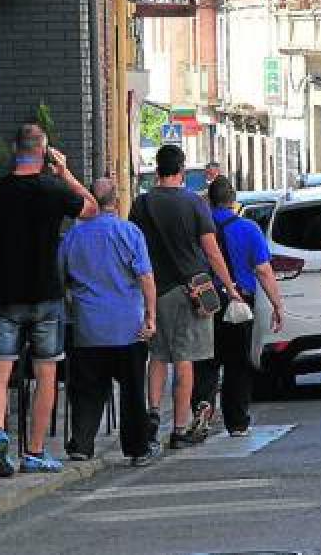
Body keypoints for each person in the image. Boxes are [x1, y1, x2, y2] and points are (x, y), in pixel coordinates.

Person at [0, 123, 99, 477]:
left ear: (15, 148)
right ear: (44, 151)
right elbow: (93, 208)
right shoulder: (54, 190)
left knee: (0, 369)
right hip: (47, 296)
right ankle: (33, 452)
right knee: (45, 374)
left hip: (4, 295)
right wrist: (65, 173)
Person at [130, 144, 242, 450]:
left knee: (158, 356)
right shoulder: (194, 204)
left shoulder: (141, 205)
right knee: (185, 361)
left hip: (154, 290)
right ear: (181, 170)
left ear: (157, 169)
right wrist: (230, 288)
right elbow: (211, 250)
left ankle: (153, 414)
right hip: (191, 291)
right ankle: (179, 428)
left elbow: (135, 249)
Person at [59, 178, 161, 467]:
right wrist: (150, 316)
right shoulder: (129, 232)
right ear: (116, 202)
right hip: (128, 327)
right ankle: (137, 447)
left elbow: (61, 275)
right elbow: (145, 277)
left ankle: (81, 443)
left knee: (87, 389)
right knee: (132, 390)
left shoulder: (73, 237)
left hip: (88, 327)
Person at [191, 176, 286, 438]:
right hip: (239, 302)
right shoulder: (248, 228)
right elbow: (264, 271)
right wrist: (277, 305)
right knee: (238, 364)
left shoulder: (198, 229)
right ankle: (237, 421)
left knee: (205, 359)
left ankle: (202, 407)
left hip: (204, 302)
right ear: (233, 201)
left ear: (210, 200)